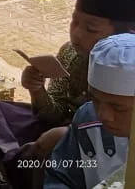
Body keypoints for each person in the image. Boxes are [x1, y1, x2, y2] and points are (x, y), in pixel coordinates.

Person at [0, 0, 135, 188]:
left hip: (85, 136)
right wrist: (37, 90)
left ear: (127, 36)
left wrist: (65, 134)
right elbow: (56, 112)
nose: (77, 34)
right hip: (67, 127)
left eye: (91, 29)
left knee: (49, 144)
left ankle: (18, 166)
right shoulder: (70, 54)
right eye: (74, 22)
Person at [45, 33, 134, 188]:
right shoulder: (87, 119)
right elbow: (62, 177)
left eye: (118, 107)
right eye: (96, 100)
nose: (103, 115)